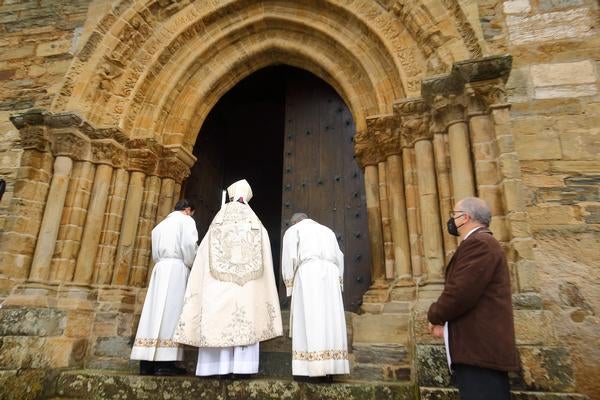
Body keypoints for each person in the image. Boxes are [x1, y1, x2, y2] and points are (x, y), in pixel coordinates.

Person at [174, 179, 282, 377]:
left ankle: (215, 368)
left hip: (218, 284)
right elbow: (265, 251)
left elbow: (204, 252)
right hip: (247, 286)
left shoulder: (219, 219)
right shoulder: (256, 223)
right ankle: (242, 368)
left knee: (218, 317)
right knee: (245, 317)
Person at [427, 197, 519, 400]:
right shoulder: (483, 242)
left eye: (454, 215)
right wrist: (448, 330)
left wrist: (434, 314)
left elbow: (460, 294)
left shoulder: (479, 244)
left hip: (480, 354)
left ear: (465, 217)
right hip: (479, 351)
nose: (452, 220)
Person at [130, 199, 198, 375]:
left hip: (159, 269)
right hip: (176, 269)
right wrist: (192, 264)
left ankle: (146, 363)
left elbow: (154, 253)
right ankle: (164, 363)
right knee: (171, 314)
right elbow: (189, 246)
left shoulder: (159, 226)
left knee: (153, 313)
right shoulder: (186, 220)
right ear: (188, 210)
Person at [281, 213, 349, 379]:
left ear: (295, 222)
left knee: (310, 319)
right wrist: (339, 282)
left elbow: (289, 257)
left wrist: (289, 283)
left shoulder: (294, 230)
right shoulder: (328, 231)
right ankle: (331, 368)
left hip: (309, 275)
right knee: (329, 320)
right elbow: (340, 257)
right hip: (331, 276)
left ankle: (311, 368)